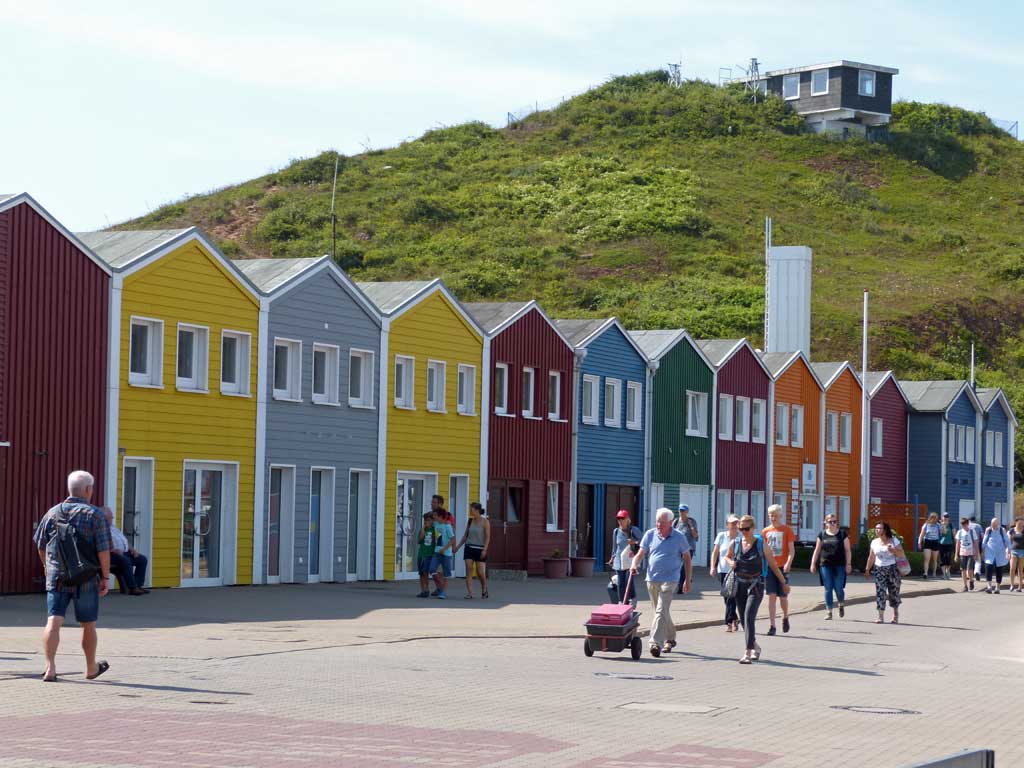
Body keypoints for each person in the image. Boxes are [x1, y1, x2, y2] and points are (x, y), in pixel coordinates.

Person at [31, 470, 112, 682]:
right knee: (88, 624)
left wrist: (48, 568)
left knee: (54, 620)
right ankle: (90, 668)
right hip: (86, 578)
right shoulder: (96, 515)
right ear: (88, 490)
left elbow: (40, 545)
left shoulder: (52, 513)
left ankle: (50, 668)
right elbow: (103, 550)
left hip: (58, 577)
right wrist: (105, 577)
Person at [724, 514, 789, 664]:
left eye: (746, 529)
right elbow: (727, 556)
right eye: (741, 529)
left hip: (756, 585)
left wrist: (783, 582)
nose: (743, 531)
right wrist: (730, 562)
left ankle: (747, 652)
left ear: (753, 528)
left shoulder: (761, 544)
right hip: (739, 584)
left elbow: (773, 564)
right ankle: (756, 647)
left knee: (748, 616)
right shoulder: (735, 543)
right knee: (744, 620)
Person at [630, 508, 691, 658]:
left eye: (662, 522)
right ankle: (670, 638)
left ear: (670, 523)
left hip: (671, 579)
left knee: (660, 610)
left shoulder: (679, 537)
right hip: (652, 579)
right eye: (657, 521)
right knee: (662, 611)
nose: (659, 524)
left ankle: (655, 642)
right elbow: (641, 553)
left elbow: (687, 559)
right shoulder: (650, 534)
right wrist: (634, 564)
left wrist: (687, 580)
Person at [810, 512, 852, 620]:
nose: (833, 524)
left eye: (834, 522)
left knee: (838, 588)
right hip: (825, 564)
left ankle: (841, 604)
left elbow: (847, 550)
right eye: (830, 522)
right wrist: (813, 563)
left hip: (839, 565)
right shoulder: (822, 534)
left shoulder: (842, 534)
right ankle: (829, 611)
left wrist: (848, 564)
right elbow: (817, 550)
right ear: (825, 523)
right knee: (828, 588)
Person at [761, 504, 795, 635]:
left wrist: (788, 563)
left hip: (782, 567)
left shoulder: (786, 530)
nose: (773, 518)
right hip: (770, 567)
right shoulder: (765, 531)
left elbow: (792, 550)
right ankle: (772, 625)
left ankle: (785, 616)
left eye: (775, 515)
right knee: (771, 596)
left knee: (783, 596)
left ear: (780, 516)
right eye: (771, 515)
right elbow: (763, 550)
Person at [864, 521, 905, 624]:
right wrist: (867, 569)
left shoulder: (894, 540)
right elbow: (871, 556)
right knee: (880, 592)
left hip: (892, 569)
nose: (877, 530)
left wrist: (893, 551)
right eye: (876, 528)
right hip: (879, 569)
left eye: (880, 528)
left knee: (894, 592)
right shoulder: (874, 542)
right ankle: (880, 616)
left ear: (885, 530)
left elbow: (901, 554)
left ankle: (895, 614)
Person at [103, 507, 148, 596]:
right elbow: (100, 546)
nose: (112, 519)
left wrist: (132, 549)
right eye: (111, 517)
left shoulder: (113, 527)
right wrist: (113, 550)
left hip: (124, 553)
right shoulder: (101, 529)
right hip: (111, 555)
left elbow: (125, 540)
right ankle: (132, 588)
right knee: (126, 561)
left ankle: (138, 585)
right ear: (104, 518)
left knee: (142, 559)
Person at [709, 516, 740, 632]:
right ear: (727, 525)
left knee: (731, 596)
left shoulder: (740, 538)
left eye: (736, 523)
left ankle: (728, 622)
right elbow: (715, 553)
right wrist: (712, 566)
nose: (733, 526)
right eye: (731, 524)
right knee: (726, 597)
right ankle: (735, 618)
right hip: (722, 570)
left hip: (735, 571)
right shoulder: (721, 536)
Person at [608, 510, 642, 606]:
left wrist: (634, 542)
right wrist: (612, 558)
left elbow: (643, 542)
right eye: (618, 518)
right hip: (619, 560)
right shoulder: (616, 532)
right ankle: (621, 601)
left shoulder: (634, 530)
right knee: (620, 582)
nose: (620, 520)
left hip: (630, 559)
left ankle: (633, 598)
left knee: (628, 580)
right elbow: (615, 547)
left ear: (627, 519)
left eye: (622, 518)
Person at [456, 502, 490, 599]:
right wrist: (458, 547)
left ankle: (484, 588)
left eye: (472, 509)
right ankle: (470, 593)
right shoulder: (470, 521)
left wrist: (485, 549)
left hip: (480, 549)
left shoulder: (485, 522)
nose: (470, 511)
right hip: (469, 547)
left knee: (480, 572)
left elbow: (488, 537)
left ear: (477, 510)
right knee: (469, 569)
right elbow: (465, 536)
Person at [428, 508, 456, 600]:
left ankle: (442, 593)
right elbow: (428, 516)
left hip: (446, 553)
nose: (434, 517)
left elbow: (452, 540)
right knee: (432, 569)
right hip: (437, 551)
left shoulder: (447, 527)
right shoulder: (436, 523)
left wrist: (444, 549)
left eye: (436, 515)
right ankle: (440, 588)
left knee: (446, 574)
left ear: (440, 516)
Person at [981, 517, 1010, 594]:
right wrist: (983, 552)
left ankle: (997, 587)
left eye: (995, 525)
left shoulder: (1002, 530)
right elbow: (984, 541)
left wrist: (1008, 551)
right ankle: (989, 586)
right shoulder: (988, 530)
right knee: (988, 568)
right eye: (992, 524)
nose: (993, 526)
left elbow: (1007, 541)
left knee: (999, 569)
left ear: (998, 524)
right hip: (989, 552)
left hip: (1000, 552)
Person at [674, 504, 698, 594]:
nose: (682, 512)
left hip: (689, 548)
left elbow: (695, 536)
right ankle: (684, 581)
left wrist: (690, 526)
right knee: (677, 566)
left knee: (684, 567)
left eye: (684, 511)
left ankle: (681, 587)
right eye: (680, 510)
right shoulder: (676, 521)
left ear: (687, 512)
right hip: (677, 548)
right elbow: (671, 533)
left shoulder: (692, 521)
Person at [954, 517, 980, 592]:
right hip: (962, 553)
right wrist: (956, 555)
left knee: (970, 569)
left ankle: (971, 581)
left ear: (968, 524)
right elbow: (958, 544)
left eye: (965, 525)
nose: (964, 526)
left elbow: (975, 543)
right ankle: (965, 585)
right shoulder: (960, 532)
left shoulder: (972, 531)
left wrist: (976, 553)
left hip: (970, 553)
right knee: (963, 570)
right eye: (962, 525)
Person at [415, 512, 436, 598]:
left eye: (428, 520)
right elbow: (419, 541)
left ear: (432, 521)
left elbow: (435, 542)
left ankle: (427, 589)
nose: (426, 522)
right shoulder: (422, 530)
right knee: (421, 573)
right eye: (425, 520)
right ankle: (423, 590)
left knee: (425, 572)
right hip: (421, 554)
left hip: (429, 554)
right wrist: (423, 529)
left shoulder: (434, 530)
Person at [917, 512, 941, 579]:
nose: (935, 520)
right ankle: (925, 573)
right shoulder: (926, 525)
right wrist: (919, 543)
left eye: (936, 518)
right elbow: (921, 535)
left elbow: (943, 532)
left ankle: (934, 573)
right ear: (930, 518)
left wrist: (943, 525)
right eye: (933, 518)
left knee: (934, 559)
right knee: (926, 559)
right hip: (927, 541)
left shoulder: (938, 525)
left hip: (935, 542)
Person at [1008, 518, 1024, 593]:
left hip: (1022, 551)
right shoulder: (1011, 530)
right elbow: (1008, 542)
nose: (1021, 525)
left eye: (1022, 523)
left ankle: (1020, 586)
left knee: (1020, 569)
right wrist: (1007, 552)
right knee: (1012, 568)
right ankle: (1012, 585)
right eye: (1020, 523)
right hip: (1013, 550)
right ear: (1016, 523)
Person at [938, 513, 955, 580]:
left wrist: (956, 542)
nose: (945, 518)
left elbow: (954, 534)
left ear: (949, 518)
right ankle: (944, 574)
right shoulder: (940, 525)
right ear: (942, 517)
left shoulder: (951, 525)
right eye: (944, 517)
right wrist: (943, 525)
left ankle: (948, 571)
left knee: (948, 558)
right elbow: (943, 533)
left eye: (947, 517)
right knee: (942, 559)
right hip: (942, 544)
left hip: (949, 543)